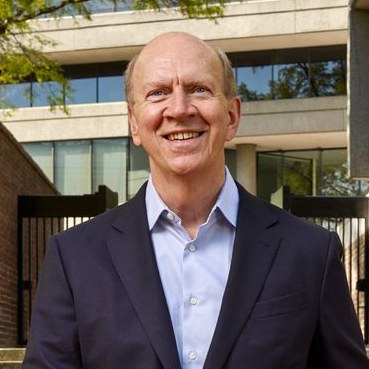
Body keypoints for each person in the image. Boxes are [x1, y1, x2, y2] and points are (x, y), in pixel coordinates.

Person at [23, 32, 369, 369]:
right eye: (158, 93)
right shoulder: (74, 258)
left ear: (232, 115)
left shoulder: (310, 252)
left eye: (198, 89)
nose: (179, 108)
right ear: (134, 123)